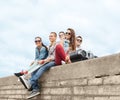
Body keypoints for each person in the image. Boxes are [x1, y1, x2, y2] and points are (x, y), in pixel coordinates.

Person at [19, 32, 58, 99]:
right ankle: (35, 88)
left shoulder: (54, 45)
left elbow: (50, 57)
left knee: (41, 68)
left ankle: (31, 82)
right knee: (34, 70)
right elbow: (37, 58)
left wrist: (43, 61)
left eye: (51, 36)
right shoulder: (46, 46)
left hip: (52, 61)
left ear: (55, 37)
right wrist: (34, 62)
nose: (50, 37)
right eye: (36, 41)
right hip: (45, 61)